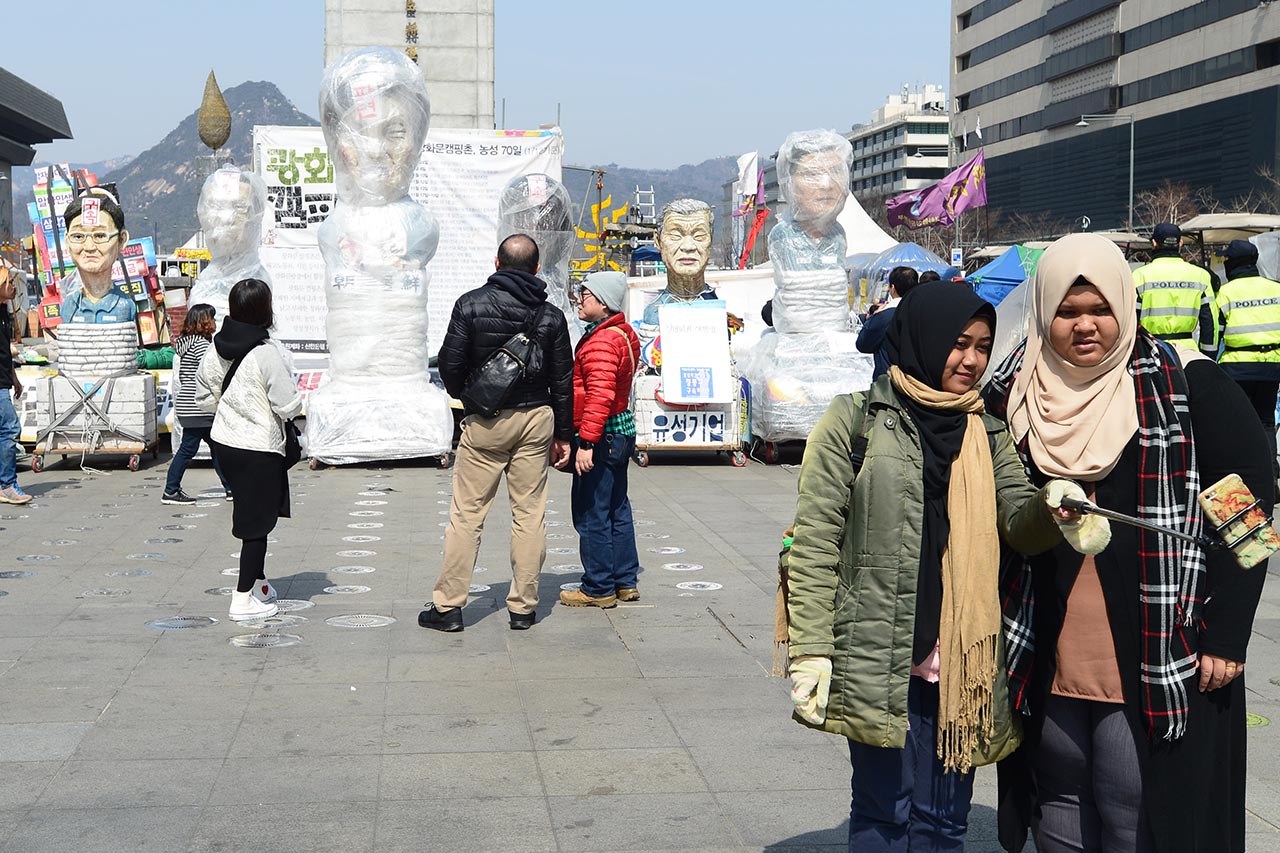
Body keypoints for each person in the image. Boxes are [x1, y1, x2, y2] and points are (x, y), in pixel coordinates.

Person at [984, 233, 1271, 853]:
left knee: (1133, 802)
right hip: (1043, 639)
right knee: (1056, 796)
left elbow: (1246, 520)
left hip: (1159, 643)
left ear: (1125, 305)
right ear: (1042, 313)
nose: (1085, 327)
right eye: (1067, 311)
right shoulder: (1013, 395)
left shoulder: (1189, 391)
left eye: (1100, 310)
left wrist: (1227, 633)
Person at [786, 282, 1079, 851]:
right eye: (958, 343)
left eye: (982, 346)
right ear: (923, 339)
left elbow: (1017, 520)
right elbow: (816, 539)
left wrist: (1051, 509)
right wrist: (811, 647)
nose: (970, 360)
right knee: (881, 812)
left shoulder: (987, 431)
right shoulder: (857, 420)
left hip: (963, 657)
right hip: (879, 648)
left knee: (945, 822)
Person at [423, 233, 574, 632]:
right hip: (537, 417)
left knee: (467, 514)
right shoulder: (552, 316)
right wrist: (565, 434)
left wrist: (473, 395)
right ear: (537, 269)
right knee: (529, 513)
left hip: (486, 422)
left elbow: (450, 367)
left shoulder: (470, 305)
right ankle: (523, 607)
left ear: (497, 262)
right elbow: (563, 379)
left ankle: (449, 607)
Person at [195, 279, 302, 622]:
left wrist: (230, 412)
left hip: (225, 444)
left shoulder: (216, 347)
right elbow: (287, 405)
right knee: (257, 527)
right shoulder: (266, 353)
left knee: (249, 514)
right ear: (263, 309)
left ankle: (259, 584)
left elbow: (203, 395)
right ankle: (242, 599)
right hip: (258, 448)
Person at [559, 270, 642, 608]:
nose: (580, 299)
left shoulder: (603, 342)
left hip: (602, 435)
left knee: (591, 510)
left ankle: (597, 587)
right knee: (617, 507)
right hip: (620, 432)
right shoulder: (622, 333)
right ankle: (625, 580)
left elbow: (600, 396)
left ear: (604, 303)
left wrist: (587, 444)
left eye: (587, 295)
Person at [1215, 239, 1280, 488]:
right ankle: (1270, 476)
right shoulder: (1275, 288)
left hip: (1237, 367)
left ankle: (1243, 477)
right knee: (1266, 421)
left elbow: (1215, 333)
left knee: (1238, 421)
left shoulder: (1226, 293)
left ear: (1233, 264)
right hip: (1272, 366)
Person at [162, 304, 231, 505]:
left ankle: (230, 488)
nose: (215, 323)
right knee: (189, 449)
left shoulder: (188, 342)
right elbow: (213, 371)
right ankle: (170, 490)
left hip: (189, 405)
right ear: (204, 322)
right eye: (212, 318)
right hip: (198, 406)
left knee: (215, 447)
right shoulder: (201, 345)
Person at [1131, 223, 1218, 357]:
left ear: (1154, 243)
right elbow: (1210, 321)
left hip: (1150, 349)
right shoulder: (1200, 276)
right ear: (1181, 243)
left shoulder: (1138, 276)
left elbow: (1131, 321)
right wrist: (1208, 356)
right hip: (1188, 351)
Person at [58, 188, 138, 326]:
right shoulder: (69, 306)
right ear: (67, 240)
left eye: (100, 236)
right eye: (78, 236)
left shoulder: (125, 305)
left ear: (122, 240)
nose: (89, 247)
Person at [0, 266, 30, 505]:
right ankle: (7, 484)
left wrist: (14, 378)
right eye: (8, 282)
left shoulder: (4, 311)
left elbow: (3, 352)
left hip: (4, 380)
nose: (13, 286)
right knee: (11, 429)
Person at [856, 266, 918, 380]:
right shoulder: (923, 312)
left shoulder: (884, 316)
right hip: (918, 384)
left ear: (892, 288)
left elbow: (862, 344)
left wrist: (872, 319)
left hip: (889, 384)